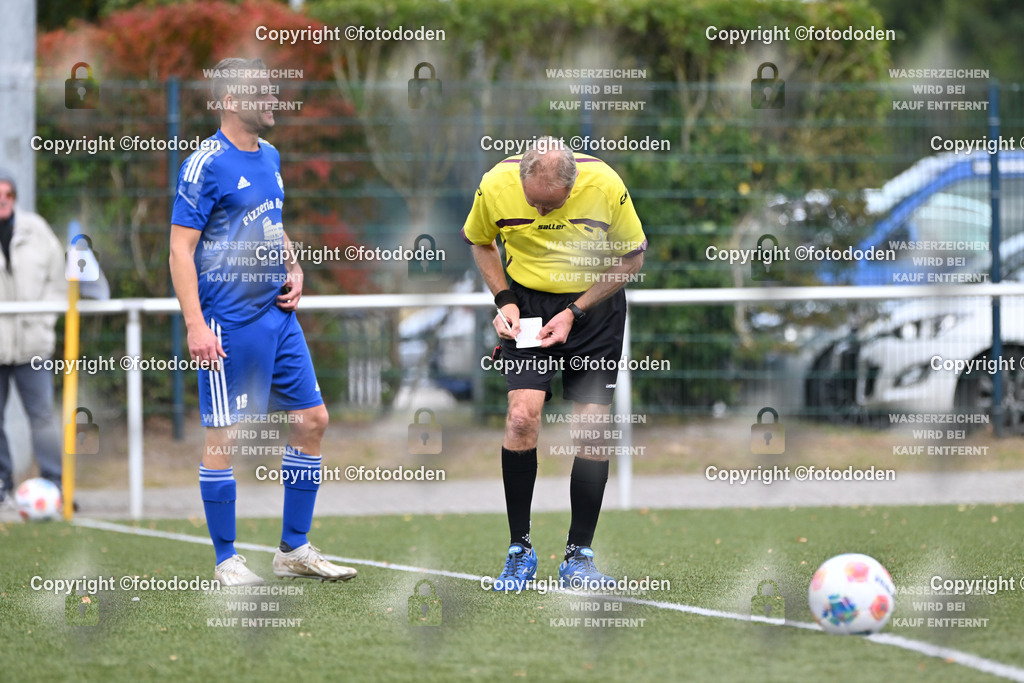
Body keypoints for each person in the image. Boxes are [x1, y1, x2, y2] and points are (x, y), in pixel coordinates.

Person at [169, 58, 355, 586]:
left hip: (278, 316)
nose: (273, 101)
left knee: (311, 420)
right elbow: (180, 251)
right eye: (262, 94)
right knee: (226, 437)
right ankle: (227, 559)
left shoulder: (270, 154)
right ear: (231, 102)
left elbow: (272, 221)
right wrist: (195, 325)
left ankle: (293, 549)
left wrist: (293, 265)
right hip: (228, 321)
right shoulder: (205, 164)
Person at [462, 137, 647, 590]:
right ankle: (519, 551)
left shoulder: (605, 185)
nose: (541, 214)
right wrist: (504, 300)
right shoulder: (495, 184)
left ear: (574, 184)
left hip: (593, 308)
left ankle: (578, 556)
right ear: (521, 181)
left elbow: (632, 257)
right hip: (526, 304)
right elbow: (480, 241)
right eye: (533, 204)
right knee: (521, 417)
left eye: (552, 205)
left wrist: (574, 312)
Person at [0, 169, 66, 506]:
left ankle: (55, 483)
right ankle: (2, 484)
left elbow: (58, 279)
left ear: (15, 197)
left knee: (41, 416)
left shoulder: (37, 230)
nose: (2, 200)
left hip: (33, 344)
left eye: (7, 194)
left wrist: (43, 318)